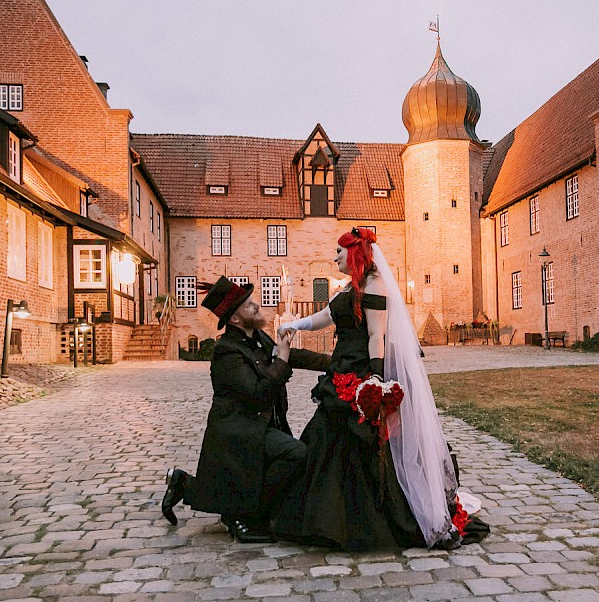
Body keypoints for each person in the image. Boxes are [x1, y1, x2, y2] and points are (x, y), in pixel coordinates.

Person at [275, 228, 488, 551]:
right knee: (327, 440)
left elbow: (377, 335)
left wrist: (374, 378)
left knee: (356, 443)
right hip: (341, 370)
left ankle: (357, 521)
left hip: (359, 372)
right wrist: (294, 325)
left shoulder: (375, 286)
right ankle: (324, 517)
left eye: (339, 251)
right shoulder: (352, 288)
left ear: (355, 253)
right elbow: (325, 317)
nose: (334, 257)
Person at [161, 276, 331, 543]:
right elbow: (257, 395)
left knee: (244, 483)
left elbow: (290, 355)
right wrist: (282, 361)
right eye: (248, 305)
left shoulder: (258, 338)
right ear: (235, 320)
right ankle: (247, 517)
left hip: (261, 425)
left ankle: (185, 485)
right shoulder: (227, 351)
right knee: (296, 454)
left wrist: (337, 364)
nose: (256, 306)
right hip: (239, 431)